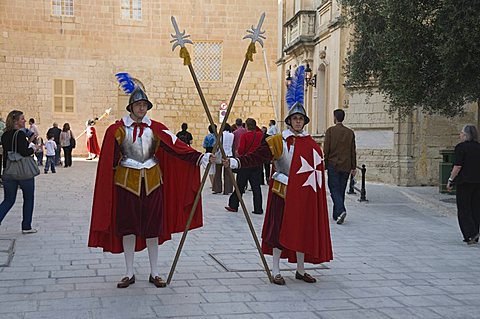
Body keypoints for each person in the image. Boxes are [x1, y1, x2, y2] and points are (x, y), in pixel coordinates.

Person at [88, 84, 211, 288]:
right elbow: (109, 160)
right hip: (126, 184)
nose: (141, 108)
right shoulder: (116, 130)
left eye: (144, 105)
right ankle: (129, 273)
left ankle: (154, 272)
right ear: (131, 107)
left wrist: (200, 157)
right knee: (128, 228)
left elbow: (176, 146)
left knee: (153, 228)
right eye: (138, 105)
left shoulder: (157, 128)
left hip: (153, 183)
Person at [222, 103, 333, 284]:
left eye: (301, 119)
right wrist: (235, 163)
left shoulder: (311, 144)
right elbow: (257, 157)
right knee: (278, 231)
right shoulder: (277, 140)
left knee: (302, 229)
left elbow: (317, 170)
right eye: (295, 119)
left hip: (304, 195)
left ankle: (300, 269)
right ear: (289, 121)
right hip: (282, 192)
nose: (298, 122)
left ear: (304, 122)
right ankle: (275, 270)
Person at [0, 110, 38, 234]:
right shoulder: (20, 134)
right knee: (28, 198)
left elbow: (9, 151)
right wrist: (34, 149)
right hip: (23, 171)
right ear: (16, 121)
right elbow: (24, 152)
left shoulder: (4, 135)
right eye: (22, 119)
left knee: (8, 200)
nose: (25, 121)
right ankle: (26, 226)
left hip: (9, 171)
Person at [447, 125, 480, 245]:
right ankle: (475, 234)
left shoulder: (461, 147)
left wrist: (450, 180)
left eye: (461, 133)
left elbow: (458, 166)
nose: (459, 135)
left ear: (466, 135)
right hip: (478, 182)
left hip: (465, 182)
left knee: (464, 208)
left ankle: (470, 234)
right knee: (475, 208)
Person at [323, 109, 357, 225]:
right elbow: (353, 151)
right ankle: (336, 214)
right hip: (346, 165)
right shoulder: (350, 133)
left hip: (334, 164)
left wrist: (325, 164)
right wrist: (353, 166)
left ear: (335, 117)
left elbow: (326, 149)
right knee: (341, 189)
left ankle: (341, 210)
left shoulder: (331, 131)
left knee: (333, 189)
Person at [225, 118, 264, 214]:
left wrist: (238, 152)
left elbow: (241, 150)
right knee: (256, 187)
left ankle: (234, 205)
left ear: (246, 126)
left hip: (246, 162)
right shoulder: (260, 135)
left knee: (240, 185)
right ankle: (258, 208)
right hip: (257, 163)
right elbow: (259, 132)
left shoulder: (245, 136)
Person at [212, 123, 234, 195]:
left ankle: (217, 188)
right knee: (228, 173)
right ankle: (227, 189)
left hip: (221, 154)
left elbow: (218, 144)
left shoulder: (221, 135)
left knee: (218, 172)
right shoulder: (232, 135)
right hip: (229, 153)